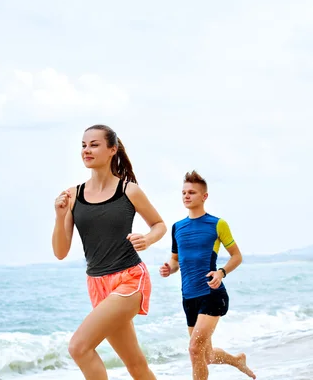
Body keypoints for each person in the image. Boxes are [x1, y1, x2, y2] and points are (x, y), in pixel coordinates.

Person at [52, 124, 166, 380]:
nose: (86, 150)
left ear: (112, 149)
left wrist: (147, 240)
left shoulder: (129, 191)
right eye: (83, 145)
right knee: (135, 364)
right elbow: (60, 252)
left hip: (130, 279)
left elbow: (159, 225)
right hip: (98, 284)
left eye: (94, 144)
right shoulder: (73, 196)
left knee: (79, 347)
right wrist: (60, 218)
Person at [159, 170, 256, 380]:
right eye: (184, 192)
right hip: (189, 297)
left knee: (194, 349)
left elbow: (236, 256)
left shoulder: (217, 224)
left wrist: (221, 272)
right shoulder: (177, 228)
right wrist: (169, 268)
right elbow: (175, 261)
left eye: (192, 192)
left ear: (204, 197)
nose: (186, 196)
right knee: (207, 355)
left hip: (212, 294)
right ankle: (236, 360)